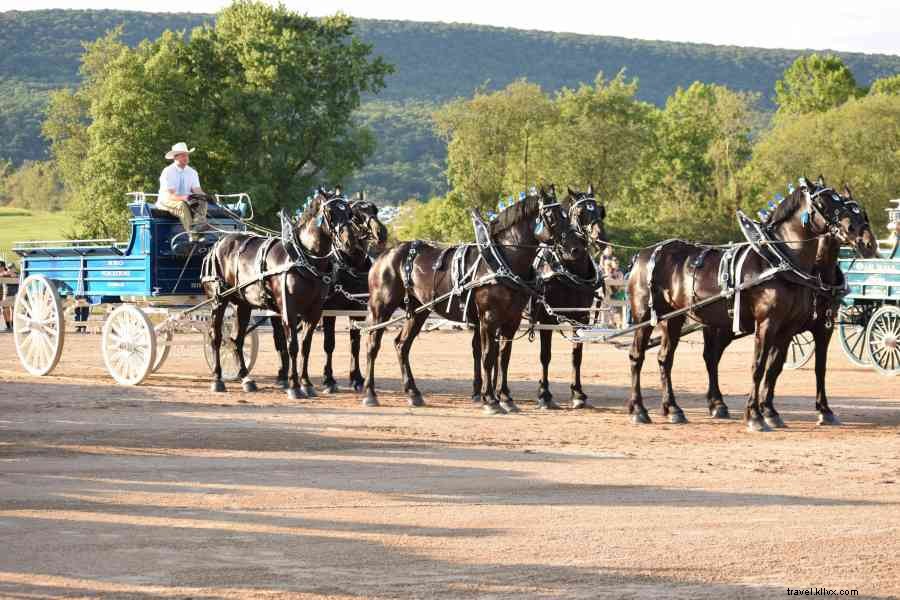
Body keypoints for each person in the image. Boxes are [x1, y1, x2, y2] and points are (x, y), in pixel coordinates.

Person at [156, 142, 208, 242]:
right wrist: (186, 198)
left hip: (186, 199)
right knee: (182, 205)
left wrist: (205, 197)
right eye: (183, 155)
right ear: (175, 157)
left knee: (203, 201)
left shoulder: (192, 172)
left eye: (187, 155)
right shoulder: (168, 171)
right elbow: (170, 195)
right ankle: (193, 236)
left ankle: (197, 227)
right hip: (167, 201)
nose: (186, 157)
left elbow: (197, 190)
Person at [0, 260, 18, 331]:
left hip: (13, 294)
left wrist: (10, 273)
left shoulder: (16, 274)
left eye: (11, 267)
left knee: (13, 310)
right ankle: (8, 326)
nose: (10, 269)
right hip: (6, 294)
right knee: (6, 309)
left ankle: (12, 325)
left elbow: (15, 275)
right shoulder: (5, 273)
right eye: (9, 267)